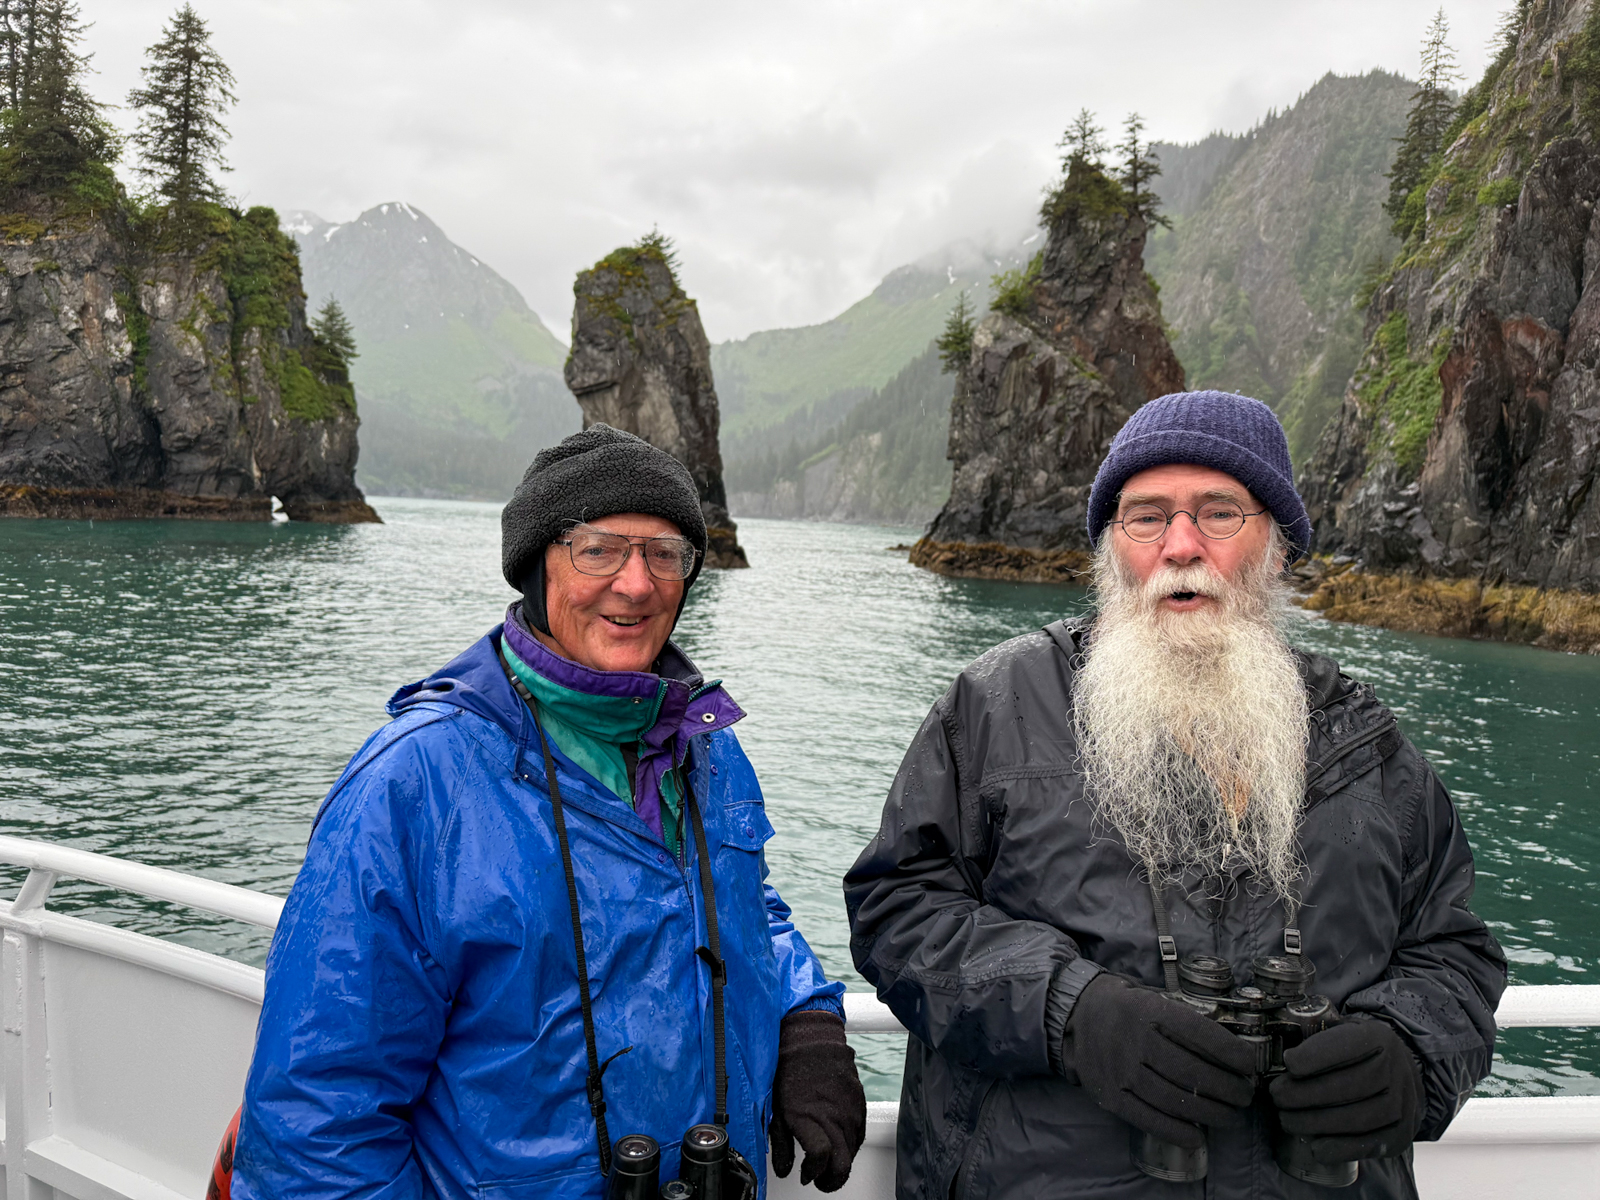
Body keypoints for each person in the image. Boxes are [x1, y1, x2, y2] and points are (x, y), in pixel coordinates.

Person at [844, 391, 1506, 1199]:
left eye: (1219, 512)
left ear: (1278, 546)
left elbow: (1452, 951)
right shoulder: (995, 706)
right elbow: (898, 909)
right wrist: (1069, 1012)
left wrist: (1410, 1050)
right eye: (1146, 517)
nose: (1181, 546)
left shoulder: (1368, 743)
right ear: (1111, 548)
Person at [233, 425, 866, 1200]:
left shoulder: (706, 745)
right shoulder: (415, 784)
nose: (636, 584)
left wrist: (805, 1016)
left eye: (665, 554)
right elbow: (318, 1120)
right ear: (537, 565)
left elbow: (740, 903)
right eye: (598, 550)